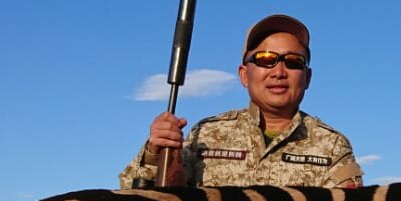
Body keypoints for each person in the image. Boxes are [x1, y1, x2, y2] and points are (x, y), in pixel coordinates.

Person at [119, 14, 363, 189]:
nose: (278, 71)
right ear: (244, 74)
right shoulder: (206, 134)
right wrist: (156, 151)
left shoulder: (332, 147)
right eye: (266, 59)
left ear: (307, 77)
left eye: (293, 61)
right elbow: (136, 195)